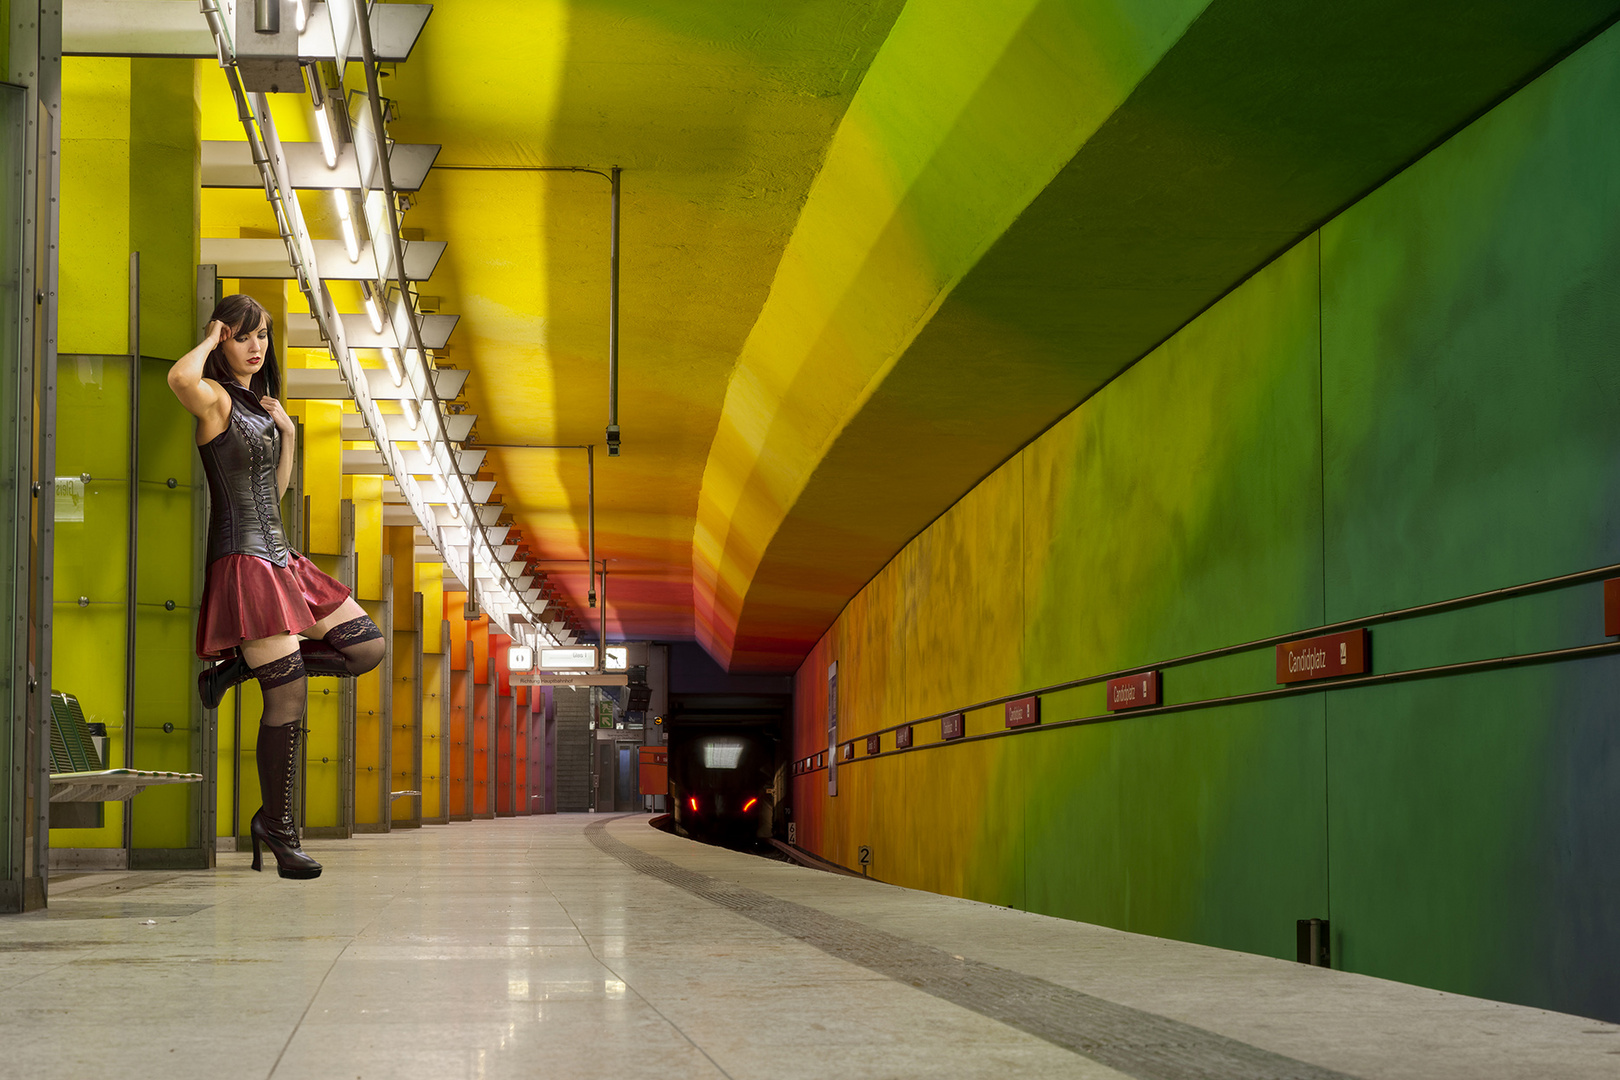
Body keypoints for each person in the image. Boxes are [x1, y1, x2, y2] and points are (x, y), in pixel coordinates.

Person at [168, 294, 385, 880]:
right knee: (287, 698)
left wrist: (287, 433)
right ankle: (279, 829)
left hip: (282, 557)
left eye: (261, 335)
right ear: (223, 341)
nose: (256, 346)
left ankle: (237, 670)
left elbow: (277, 490)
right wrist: (212, 337)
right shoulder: (212, 398)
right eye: (243, 336)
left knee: (367, 645)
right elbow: (179, 376)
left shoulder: (261, 408)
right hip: (243, 560)